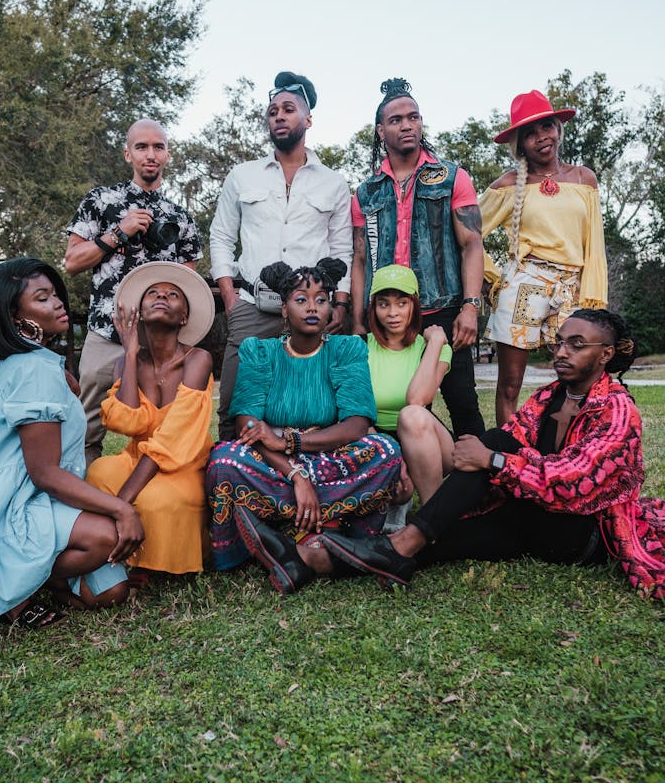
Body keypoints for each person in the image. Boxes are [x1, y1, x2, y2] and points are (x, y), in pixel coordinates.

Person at [312, 311, 665, 602]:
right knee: (448, 536)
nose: (561, 352)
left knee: (490, 460)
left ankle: (397, 542)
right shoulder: (549, 396)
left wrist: (492, 461)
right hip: (528, 514)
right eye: (558, 342)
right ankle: (326, 560)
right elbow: (509, 440)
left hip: (582, 531)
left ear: (605, 354)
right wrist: (490, 454)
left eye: (577, 345)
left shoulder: (618, 410)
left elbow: (574, 481)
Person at [0, 259, 145, 629]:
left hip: (34, 498)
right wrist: (123, 510)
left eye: (55, 294)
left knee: (108, 594)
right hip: (10, 504)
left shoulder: (33, 362)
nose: (58, 303)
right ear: (14, 318)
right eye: (42, 298)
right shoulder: (33, 369)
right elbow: (44, 473)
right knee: (107, 537)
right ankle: (11, 585)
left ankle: (41, 578)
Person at [206, 258, 404, 594]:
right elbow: (248, 425)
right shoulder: (259, 351)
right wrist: (296, 475)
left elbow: (357, 424)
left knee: (386, 451)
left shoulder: (346, 349)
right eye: (301, 300)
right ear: (283, 310)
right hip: (276, 467)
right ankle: (323, 532)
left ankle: (298, 536)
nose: (312, 307)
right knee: (224, 461)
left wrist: (289, 442)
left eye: (321, 300)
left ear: (330, 309)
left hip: (327, 455)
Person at [209, 71, 353, 440]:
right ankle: (230, 484)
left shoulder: (333, 182)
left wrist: (338, 302)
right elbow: (222, 236)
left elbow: (341, 248)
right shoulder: (243, 175)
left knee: (316, 404)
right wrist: (230, 298)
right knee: (234, 406)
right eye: (273, 111)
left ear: (308, 120)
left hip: (312, 310)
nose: (279, 116)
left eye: (288, 109)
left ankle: (305, 483)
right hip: (252, 309)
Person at [351, 78, 485, 438]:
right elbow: (360, 259)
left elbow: (472, 244)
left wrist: (470, 306)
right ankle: (401, 483)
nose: (406, 124)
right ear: (380, 131)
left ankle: (482, 489)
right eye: (395, 120)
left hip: (443, 308)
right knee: (396, 408)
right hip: (387, 313)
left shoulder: (452, 177)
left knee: (462, 401)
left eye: (413, 117)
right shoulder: (365, 192)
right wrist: (359, 321)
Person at [64, 119, 202, 465]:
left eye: (158, 147)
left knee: (165, 425)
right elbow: (72, 262)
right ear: (128, 154)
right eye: (142, 147)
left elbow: (188, 285)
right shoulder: (101, 200)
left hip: (159, 345)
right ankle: (83, 501)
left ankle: (157, 499)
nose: (150, 155)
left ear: (168, 155)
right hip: (107, 332)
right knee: (86, 428)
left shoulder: (180, 218)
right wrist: (119, 233)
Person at [481, 89, 608, 425]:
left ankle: (564, 455)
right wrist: (493, 279)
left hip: (571, 288)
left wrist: (594, 301)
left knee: (577, 379)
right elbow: (465, 234)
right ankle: (508, 455)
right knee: (510, 385)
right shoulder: (508, 185)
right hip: (524, 287)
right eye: (530, 134)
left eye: (547, 127)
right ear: (520, 143)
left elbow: (595, 245)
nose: (541, 138)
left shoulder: (584, 179)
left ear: (558, 129)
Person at [86, 263, 214, 578]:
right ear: (140, 312)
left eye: (172, 295)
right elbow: (125, 422)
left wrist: (122, 501)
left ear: (184, 316)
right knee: (99, 472)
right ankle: (113, 547)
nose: (161, 297)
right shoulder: (124, 363)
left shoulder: (198, 359)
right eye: (153, 293)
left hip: (183, 462)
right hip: (139, 457)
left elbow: (171, 439)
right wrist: (130, 354)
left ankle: (149, 563)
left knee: (158, 499)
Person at [366, 264, 453, 506]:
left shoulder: (434, 348)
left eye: (402, 303)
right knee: (397, 492)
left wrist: (435, 342)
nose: (393, 313)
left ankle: (432, 516)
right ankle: (391, 507)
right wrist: (391, 456)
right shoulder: (359, 345)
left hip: (425, 440)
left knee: (412, 414)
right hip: (376, 438)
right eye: (384, 304)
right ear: (374, 307)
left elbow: (418, 399)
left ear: (414, 305)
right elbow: (353, 412)